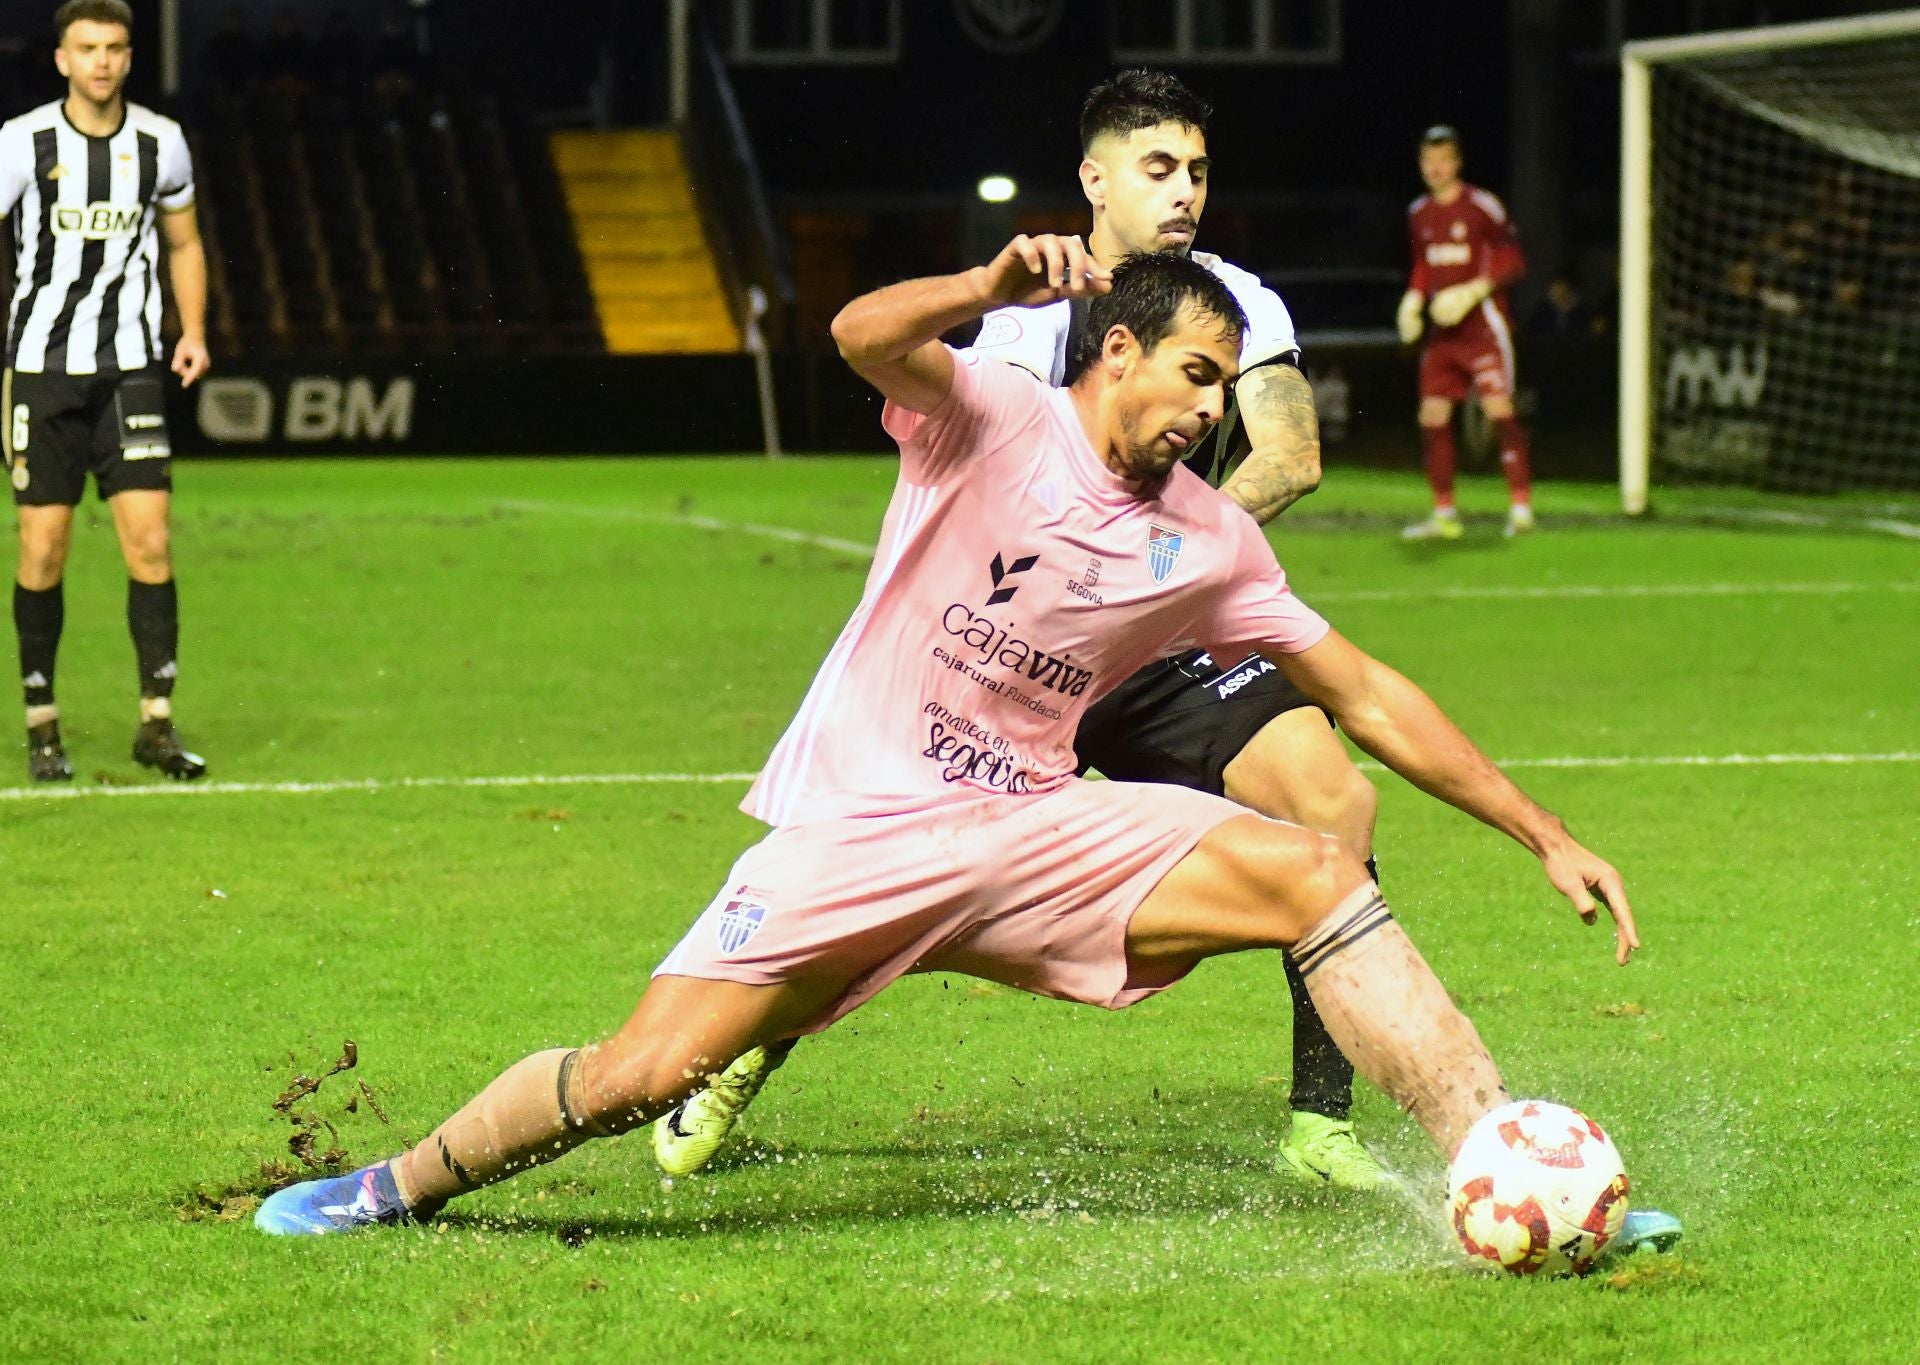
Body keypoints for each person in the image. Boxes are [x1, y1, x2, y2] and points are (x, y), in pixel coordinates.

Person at [256, 241, 1644, 1239]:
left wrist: (1545, 831)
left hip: (1035, 829)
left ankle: (1504, 1158)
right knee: (639, 1074)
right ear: (1118, 351)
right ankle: (396, 1182)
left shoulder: (1208, 538)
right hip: (862, 830)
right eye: (1198, 376)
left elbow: (1371, 692)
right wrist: (985, 289)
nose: (1216, 411)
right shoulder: (992, 417)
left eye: (1226, 385)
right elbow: (861, 334)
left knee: (1320, 868)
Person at [655, 69, 1388, 1191]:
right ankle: (742, 1050)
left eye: (1197, 169)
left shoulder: (1239, 301)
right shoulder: (1025, 320)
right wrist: (1083, 578)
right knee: (877, 869)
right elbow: (979, 473)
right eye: (1157, 169)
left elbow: (1291, 454)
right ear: (1094, 179)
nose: (1184, 190)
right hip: (1004, 655)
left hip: (1147, 640)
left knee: (1332, 800)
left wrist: (1157, 573)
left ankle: (1320, 1126)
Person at [3, 0, 211, 782]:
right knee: (43, 549)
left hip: (131, 369)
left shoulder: (162, 143)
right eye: (86, 48)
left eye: (115, 48)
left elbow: (184, 241)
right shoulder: (22, 143)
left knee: (151, 541)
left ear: (129, 58)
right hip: (41, 372)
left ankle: (155, 725)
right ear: (61, 59)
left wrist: (191, 331)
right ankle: (41, 722)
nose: (101, 61)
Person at [1397, 126, 1533, 540]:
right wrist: (1414, 299)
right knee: (1433, 416)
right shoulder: (1418, 213)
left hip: (1482, 327)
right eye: (1428, 160)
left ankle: (1521, 506)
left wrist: (1475, 290)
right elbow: (1424, 265)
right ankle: (1444, 515)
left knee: (1498, 411)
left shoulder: (1482, 207)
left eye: (1444, 159)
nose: (1436, 168)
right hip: (1443, 335)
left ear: (1457, 163)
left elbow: (1513, 261)